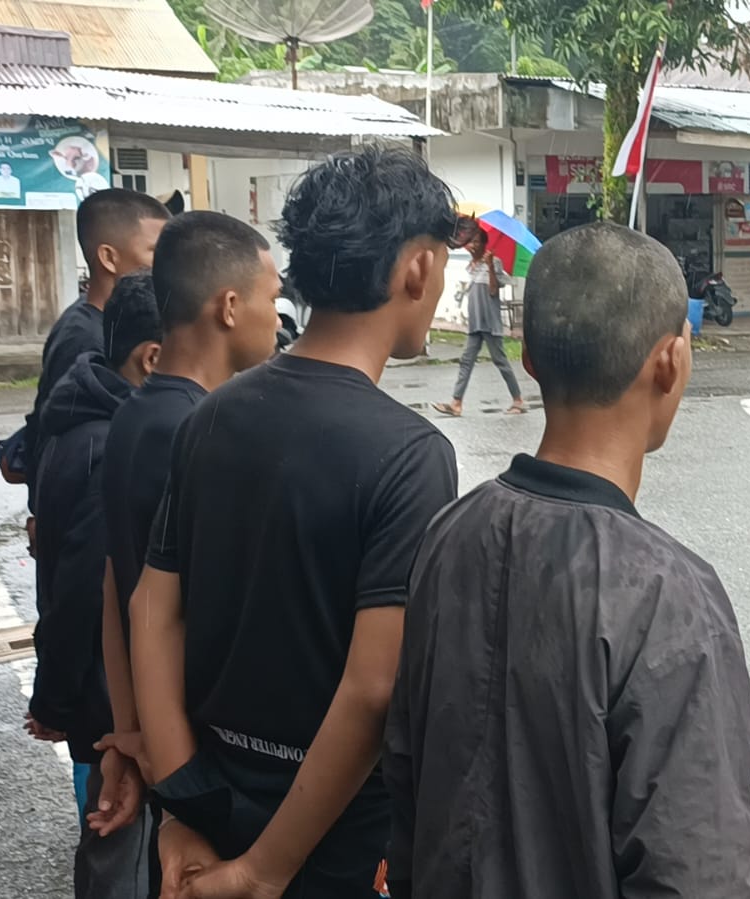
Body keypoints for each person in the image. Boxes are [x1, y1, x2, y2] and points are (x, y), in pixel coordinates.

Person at [385, 222, 750, 899]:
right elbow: (698, 872)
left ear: (527, 357)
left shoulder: (448, 534)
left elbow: (409, 775)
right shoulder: (668, 596)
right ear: (670, 361)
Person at [131, 146, 459, 899]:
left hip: (212, 788)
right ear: (415, 269)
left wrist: (184, 798)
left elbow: (153, 606)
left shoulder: (211, 413)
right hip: (332, 832)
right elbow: (374, 687)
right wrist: (266, 868)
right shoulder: (410, 455)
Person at [85, 212, 283, 870]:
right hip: (202, 759)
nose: (278, 320)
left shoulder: (133, 412)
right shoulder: (204, 432)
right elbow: (180, 613)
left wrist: (130, 729)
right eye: (272, 298)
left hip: (160, 741)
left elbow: (119, 582)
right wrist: (169, 771)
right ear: (229, 306)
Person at [28, 271, 164, 899]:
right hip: (109, 687)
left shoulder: (75, 418)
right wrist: (53, 698)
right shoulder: (116, 444)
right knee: (117, 830)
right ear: (153, 357)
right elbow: (84, 586)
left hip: (92, 680)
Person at [1, 190, 170, 541]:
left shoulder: (108, 322)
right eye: (156, 252)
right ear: (108, 257)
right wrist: (45, 518)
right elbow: (55, 435)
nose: (169, 265)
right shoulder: (84, 338)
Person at [434, 229, 525, 416]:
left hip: (489, 322)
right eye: (470, 242)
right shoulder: (472, 266)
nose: (472, 245)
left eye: (476, 242)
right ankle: (456, 403)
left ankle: (518, 400)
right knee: (466, 361)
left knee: (500, 361)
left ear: (484, 244)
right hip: (475, 323)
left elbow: (493, 290)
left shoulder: (495, 262)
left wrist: (490, 266)